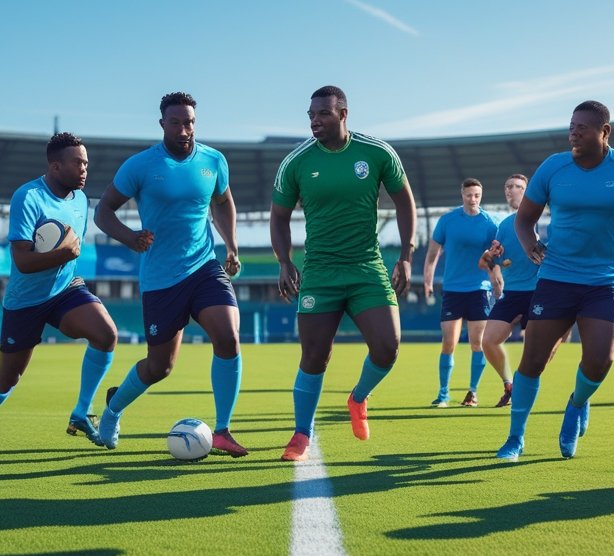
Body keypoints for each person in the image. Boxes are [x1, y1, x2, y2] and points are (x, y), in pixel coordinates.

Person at [496, 100, 614, 462]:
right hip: (556, 277)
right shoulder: (553, 167)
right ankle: (515, 438)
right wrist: (530, 245)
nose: (573, 133)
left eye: (582, 127)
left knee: (600, 360)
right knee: (533, 360)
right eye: (571, 126)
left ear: (604, 132)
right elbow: (524, 219)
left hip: (603, 280)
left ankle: (576, 403)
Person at [92, 92, 247, 457]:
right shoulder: (140, 165)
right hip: (161, 278)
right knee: (160, 367)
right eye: (175, 122)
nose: (183, 129)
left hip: (204, 267)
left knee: (228, 337)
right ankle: (113, 408)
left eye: (189, 122)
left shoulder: (213, 160)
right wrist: (130, 237)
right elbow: (103, 211)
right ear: (162, 123)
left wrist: (232, 246)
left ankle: (223, 430)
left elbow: (223, 202)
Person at [271, 85, 417, 461]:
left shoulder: (377, 152)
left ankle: (358, 398)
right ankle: (301, 435)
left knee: (387, 348)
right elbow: (279, 216)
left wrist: (406, 254)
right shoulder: (297, 162)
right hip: (320, 272)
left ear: (343, 114)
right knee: (314, 355)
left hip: (366, 267)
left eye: (323, 113)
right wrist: (284, 261)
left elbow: (405, 201)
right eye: (311, 115)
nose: (315, 121)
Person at [0, 132, 117, 456]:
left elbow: (70, 251)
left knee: (106, 335)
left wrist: (67, 261)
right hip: (26, 301)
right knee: (9, 378)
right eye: (77, 163)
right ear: (56, 166)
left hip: (65, 289)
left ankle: (82, 412)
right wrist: (64, 254)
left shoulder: (82, 201)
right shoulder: (28, 197)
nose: (84, 169)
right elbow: (23, 261)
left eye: (86, 163)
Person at [477, 174, 566, 409]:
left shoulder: (547, 220)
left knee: (542, 347)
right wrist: (492, 263)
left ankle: (526, 381)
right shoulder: (504, 226)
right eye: (508, 186)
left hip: (541, 290)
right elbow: (492, 259)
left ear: (527, 192)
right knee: (488, 341)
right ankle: (510, 384)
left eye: (517, 186)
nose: (511, 190)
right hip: (513, 293)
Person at [422, 178, 498, 407]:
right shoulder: (447, 220)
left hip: (479, 290)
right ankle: (443, 394)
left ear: (481, 195)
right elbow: (432, 254)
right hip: (452, 290)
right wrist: (428, 281)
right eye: (469, 195)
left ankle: (472, 393)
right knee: (448, 343)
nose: (473, 199)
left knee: (478, 343)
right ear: (462, 194)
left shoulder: (490, 223)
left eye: (477, 195)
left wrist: (496, 280)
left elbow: (496, 257)